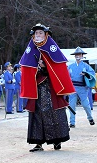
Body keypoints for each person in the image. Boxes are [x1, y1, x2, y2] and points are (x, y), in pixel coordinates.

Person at [19, 24, 75, 152]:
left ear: (46, 35)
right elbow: (27, 70)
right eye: (36, 33)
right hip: (37, 90)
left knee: (54, 114)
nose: (37, 36)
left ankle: (57, 140)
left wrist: (45, 67)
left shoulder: (52, 49)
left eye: (40, 33)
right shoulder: (31, 50)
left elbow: (57, 70)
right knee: (36, 116)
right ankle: (38, 143)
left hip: (51, 90)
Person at [68, 47, 96, 128]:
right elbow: (66, 76)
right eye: (76, 54)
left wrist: (86, 74)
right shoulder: (70, 66)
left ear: (82, 56)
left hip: (82, 87)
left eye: (79, 54)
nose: (78, 56)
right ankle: (72, 122)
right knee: (72, 105)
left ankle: (90, 117)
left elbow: (92, 73)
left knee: (86, 104)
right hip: (73, 87)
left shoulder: (85, 66)